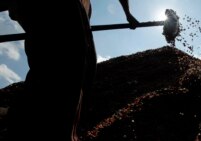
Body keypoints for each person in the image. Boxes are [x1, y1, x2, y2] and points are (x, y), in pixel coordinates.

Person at [0, 0, 139, 141]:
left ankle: (26, 119)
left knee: (79, 69)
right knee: (66, 65)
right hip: (61, 11)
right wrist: (128, 14)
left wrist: (128, 14)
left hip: (74, 16)